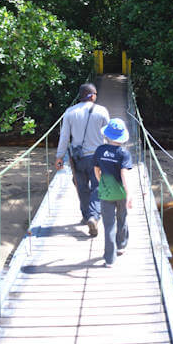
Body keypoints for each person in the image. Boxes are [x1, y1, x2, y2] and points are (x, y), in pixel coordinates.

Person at [55, 83, 110, 236]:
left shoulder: (70, 112)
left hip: (77, 158)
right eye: (96, 94)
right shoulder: (102, 111)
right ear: (92, 95)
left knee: (82, 187)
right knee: (97, 187)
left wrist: (59, 157)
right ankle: (93, 216)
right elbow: (109, 135)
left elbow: (64, 137)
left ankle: (87, 216)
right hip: (98, 157)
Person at [92, 118, 133, 267]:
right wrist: (129, 194)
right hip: (121, 193)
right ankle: (121, 246)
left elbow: (96, 170)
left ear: (107, 135)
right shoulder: (124, 153)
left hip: (106, 193)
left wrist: (101, 182)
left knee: (109, 225)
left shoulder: (100, 150)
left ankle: (109, 259)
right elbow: (124, 175)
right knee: (122, 218)